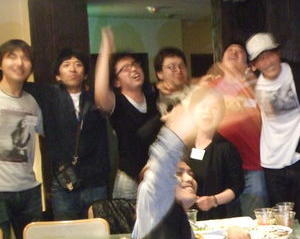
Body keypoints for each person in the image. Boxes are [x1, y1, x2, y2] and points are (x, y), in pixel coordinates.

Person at [116, 89, 252, 239]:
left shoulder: (181, 222)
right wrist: (180, 122)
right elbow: (160, 166)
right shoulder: (155, 214)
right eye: (178, 173)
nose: (189, 178)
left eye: (190, 172)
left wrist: (230, 234)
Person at [248, 32, 300, 239]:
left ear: (278, 53)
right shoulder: (252, 84)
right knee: (279, 227)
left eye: (271, 54)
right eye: (261, 58)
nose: (268, 61)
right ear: (254, 64)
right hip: (272, 161)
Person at [25, 49, 109, 220]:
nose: (73, 69)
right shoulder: (48, 95)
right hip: (64, 182)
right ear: (58, 75)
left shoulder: (96, 98)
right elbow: (19, 83)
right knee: (67, 232)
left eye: (78, 64)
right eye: (66, 65)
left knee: (99, 232)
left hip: (95, 182)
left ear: (85, 74)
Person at [94, 27, 159, 200]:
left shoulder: (153, 97)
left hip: (156, 176)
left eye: (135, 64)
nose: (133, 69)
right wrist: (106, 49)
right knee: (127, 217)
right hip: (129, 179)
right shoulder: (117, 102)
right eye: (125, 69)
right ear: (116, 81)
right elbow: (100, 93)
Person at [206, 43, 268, 216]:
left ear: (247, 63)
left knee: (256, 221)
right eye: (230, 50)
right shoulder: (209, 87)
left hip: (252, 164)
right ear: (222, 60)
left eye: (240, 51)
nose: (234, 52)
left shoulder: (256, 86)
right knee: (225, 222)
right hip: (222, 166)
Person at [0, 40, 43, 239]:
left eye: (25, 58)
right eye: (12, 56)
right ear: (1, 64)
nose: (19, 63)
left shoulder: (31, 102)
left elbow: (48, 133)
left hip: (29, 190)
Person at [186, 88, 244, 220]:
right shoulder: (181, 145)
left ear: (221, 114)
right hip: (184, 218)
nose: (207, 112)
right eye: (203, 106)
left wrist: (214, 200)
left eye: (214, 108)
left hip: (217, 218)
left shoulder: (226, 148)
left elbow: (237, 186)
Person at [154, 47, 192, 116]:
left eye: (182, 66)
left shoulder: (197, 92)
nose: (179, 70)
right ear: (159, 73)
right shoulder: (153, 98)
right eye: (172, 67)